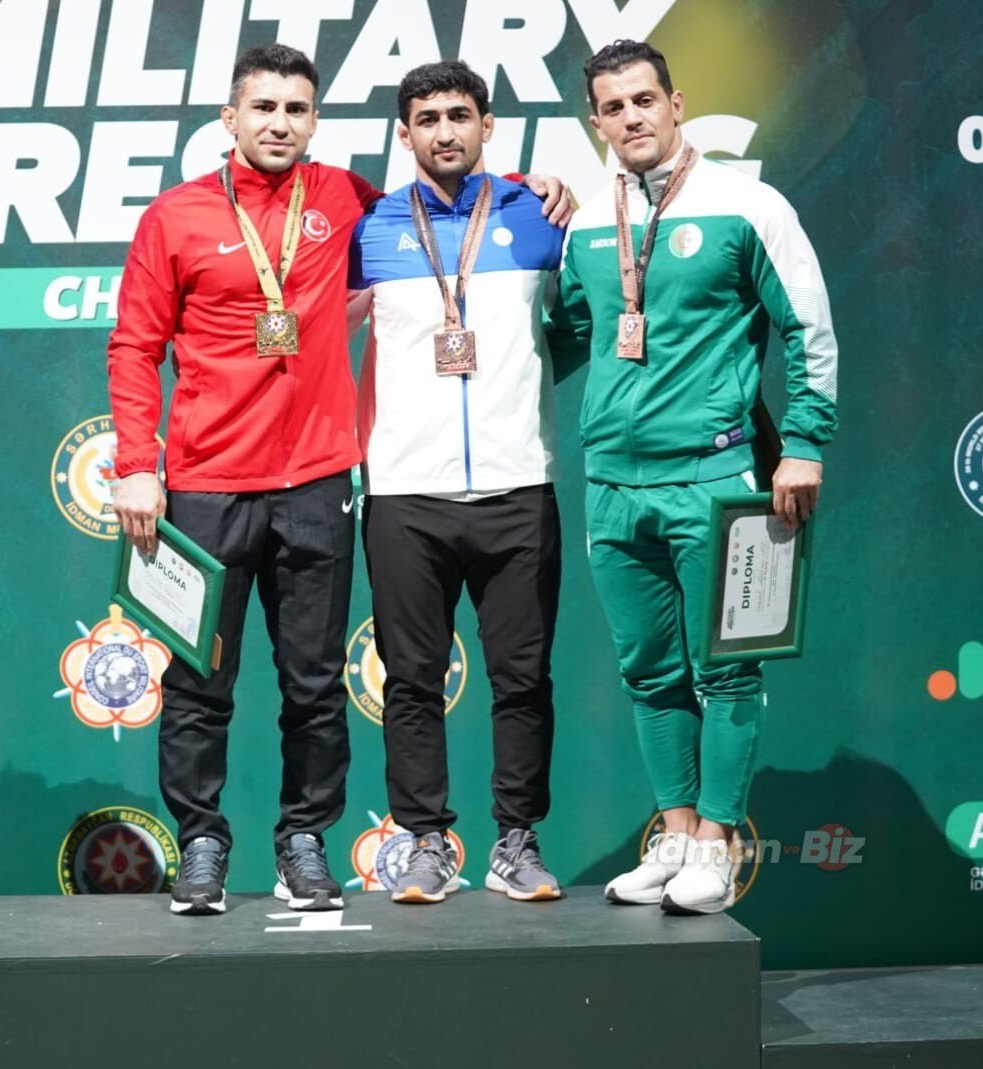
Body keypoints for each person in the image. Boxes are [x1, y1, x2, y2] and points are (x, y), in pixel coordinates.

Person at [109, 44, 573, 916]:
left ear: (316, 121)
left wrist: (529, 186)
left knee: (316, 685)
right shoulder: (175, 216)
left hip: (317, 482)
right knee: (199, 682)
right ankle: (202, 841)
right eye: (264, 107)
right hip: (204, 485)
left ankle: (304, 841)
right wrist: (138, 464)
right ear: (230, 119)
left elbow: (450, 196)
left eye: (296, 108)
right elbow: (134, 346)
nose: (280, 122)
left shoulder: (346, 202)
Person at [545, 41, 837, 914]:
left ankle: (717, 840)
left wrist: (805, 443)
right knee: (649, 671)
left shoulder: (748, 205)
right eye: (613, 106)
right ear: (596, 122)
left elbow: (809, 328)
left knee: (729, 670)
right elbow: (564, 338)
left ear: (676, 104)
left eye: (645, 99)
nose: (631, 117)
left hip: (718, 477)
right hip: (612, 485)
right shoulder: (587, 225)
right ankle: (674, 835)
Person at [347, 61, 566, 905]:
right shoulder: (369, 229)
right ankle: (426, 839)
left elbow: (577, 325)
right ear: (404, 132)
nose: (446, 131)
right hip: (405, 491)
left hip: (519, 485)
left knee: (524, 678)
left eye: (461, 115)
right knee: (410, 679)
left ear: (487, 126)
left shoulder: (538, 217)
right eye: (429, 118)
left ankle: (517, 839)